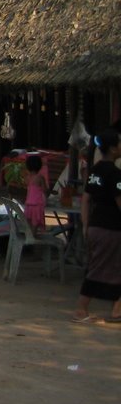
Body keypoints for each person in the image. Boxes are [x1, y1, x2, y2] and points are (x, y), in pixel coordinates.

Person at [72, 128, 121, 324]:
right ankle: (81, 308)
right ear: (114, 148)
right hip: (111, 227)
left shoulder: (95, 170)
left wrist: (85, 225)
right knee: (99, 269)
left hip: (96, 225)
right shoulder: (115, 174)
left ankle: (117, 309)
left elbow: (85, 200)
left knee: (112, 267)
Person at [24, 153, 48, 232]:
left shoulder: (27, 177)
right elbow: (45, 190)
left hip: (28, 204)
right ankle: (32, 240)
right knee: (35, 224)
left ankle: (30, 238)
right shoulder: (40, 177)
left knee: (30, 224)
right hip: (37, 205)